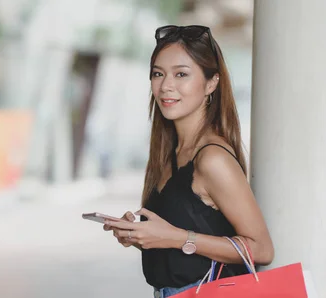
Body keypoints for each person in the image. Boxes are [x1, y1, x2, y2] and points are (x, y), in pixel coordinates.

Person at [103, 25, 274, 298]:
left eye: (181, 74)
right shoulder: (169, 152)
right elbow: (183, 246)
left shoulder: (212, 158)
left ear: (211, 83)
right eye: (158, 74)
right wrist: (142, 235)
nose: (166, 86)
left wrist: (175, 237)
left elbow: (261, 249)